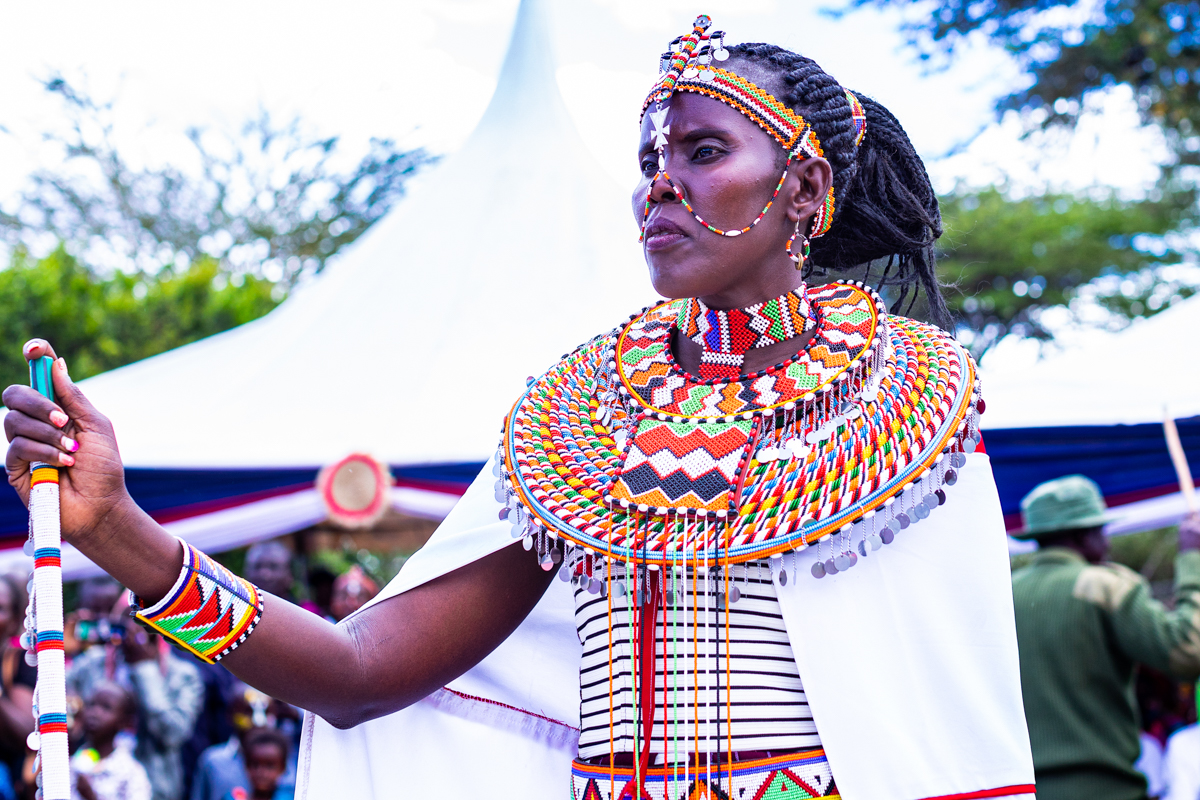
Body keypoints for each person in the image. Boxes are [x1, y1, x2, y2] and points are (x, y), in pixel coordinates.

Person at [2, 14, 1035, 799]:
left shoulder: (909, 399)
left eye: (704, 152)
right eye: (649, 161)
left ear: (805, 191)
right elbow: (357, 672)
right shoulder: (580, 423)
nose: (659, 186)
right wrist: (118, 529)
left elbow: (941, 711)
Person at [1010, 475, 1200, 800]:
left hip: (1027, 792)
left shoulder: (1003, 596)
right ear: (1083, 535)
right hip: (1107, 790)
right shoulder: (1105, 586)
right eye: (1101, 531)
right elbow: (1187, 650)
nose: (1107, 543)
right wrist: (1192, 559)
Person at [66, 599, 203, 800]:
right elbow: (59, 698)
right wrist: (67, 649)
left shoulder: (183, 675)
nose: (132, 632)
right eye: (126, 623)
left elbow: (172, 734)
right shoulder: (94, 662)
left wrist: (145, 669)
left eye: (142, 624)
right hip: (92, 782)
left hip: (157, 788)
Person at [191, 684, 296, 800]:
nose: (259, 721)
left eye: (266, 712)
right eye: (248, 712)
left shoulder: (290, 764)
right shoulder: (213, 762)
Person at [71, 681, 153, 800]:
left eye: (106, 708)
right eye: (91, 704)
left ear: (124, 722)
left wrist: (91, 797)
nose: (94, 713)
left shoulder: (131, 773)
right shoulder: (72, 763)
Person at [223, 729, 291, 800]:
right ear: (246, 765)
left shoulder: (293, 798)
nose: (262, 772)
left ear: (283, 767)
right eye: (255, 765)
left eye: (269, 766)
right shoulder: (233, 798)